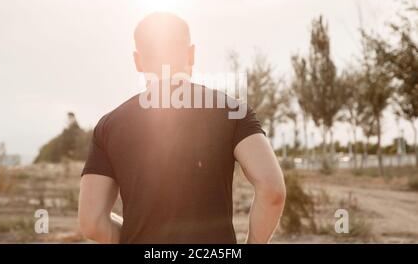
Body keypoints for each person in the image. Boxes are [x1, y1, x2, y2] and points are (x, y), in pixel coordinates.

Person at [78, 12, 286, 244]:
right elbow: (272, 191)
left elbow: (91, 222)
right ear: (191, 54)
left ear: (138, 61)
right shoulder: (232, 110)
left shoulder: (110, 125)